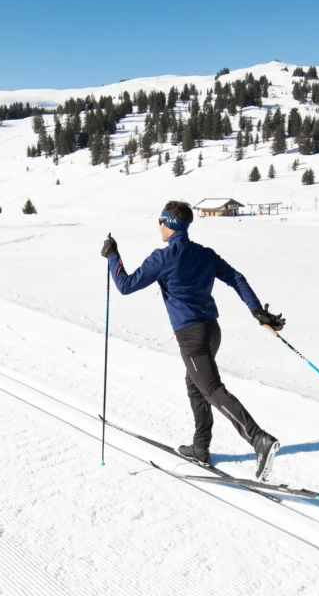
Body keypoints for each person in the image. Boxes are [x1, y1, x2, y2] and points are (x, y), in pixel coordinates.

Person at [102, 201, 284, 479]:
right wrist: (256, 310)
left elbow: (125, 285)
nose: (158, 227)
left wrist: (113, 256)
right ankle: (200, 448)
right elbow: (236, 277)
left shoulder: (164, 257)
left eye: (160, 221)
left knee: (211, 389)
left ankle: (259, 439)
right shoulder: (204, 254)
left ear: (169, 223)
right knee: (195, 385)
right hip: (212, 331)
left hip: (191, 336)